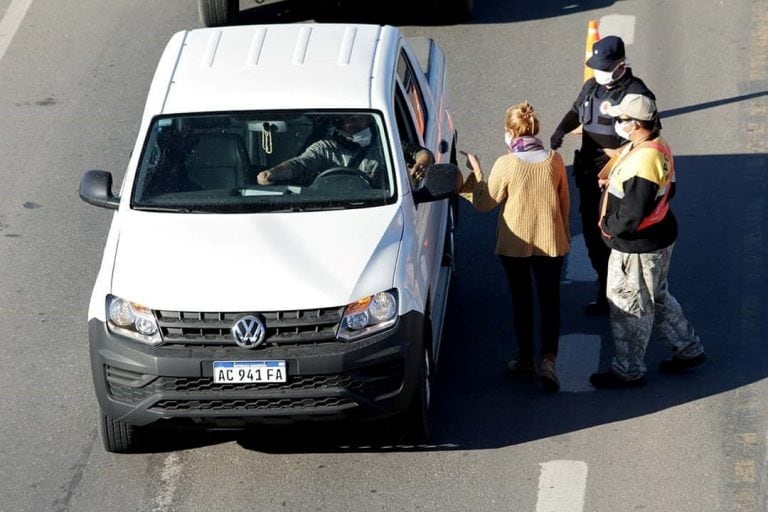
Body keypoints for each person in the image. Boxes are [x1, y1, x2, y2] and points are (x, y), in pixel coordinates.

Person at [588, 94, 707, 389]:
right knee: (657, 296)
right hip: (660, 234)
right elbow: (671, 189)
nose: (618, 124)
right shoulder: (657, 145)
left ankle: (628, 369)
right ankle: (688, 348)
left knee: (629, 306)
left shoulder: (645, 159)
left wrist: (609, 228)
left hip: (637, 246)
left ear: (638, 124)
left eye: (622, 119)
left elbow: (632, 213)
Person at [460, 102, 570, 393]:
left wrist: (476, 172)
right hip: (551, 244)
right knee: (550, 302)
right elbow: (564, 203)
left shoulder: (506, 164)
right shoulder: (554, 159)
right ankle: (548, 361)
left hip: (514, 245)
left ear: (510, 131)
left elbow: (485, 202)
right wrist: (562, 235)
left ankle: (524, 359)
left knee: (522, 301)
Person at [550, 35, 657, 316]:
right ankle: (604, 287)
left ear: (621, 65)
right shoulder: (591, 87)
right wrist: (560, 130)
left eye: (605, 67)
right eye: (596, 67)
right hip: (589, 173)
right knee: (592, 234)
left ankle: (625, 295)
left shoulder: (637, 95)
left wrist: (618, 158)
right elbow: (577, 111)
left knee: (617, 235)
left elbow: (648, 138)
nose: (599, 73)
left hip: (619, 179)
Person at [256, 114, 433, 188]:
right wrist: (273, 173)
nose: (350, 125)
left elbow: (423, 154)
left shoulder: (386, 143)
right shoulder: (324, 148)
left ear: (368, 120)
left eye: (355, 119)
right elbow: (299, 164)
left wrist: (419, 167)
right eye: (343, 121)